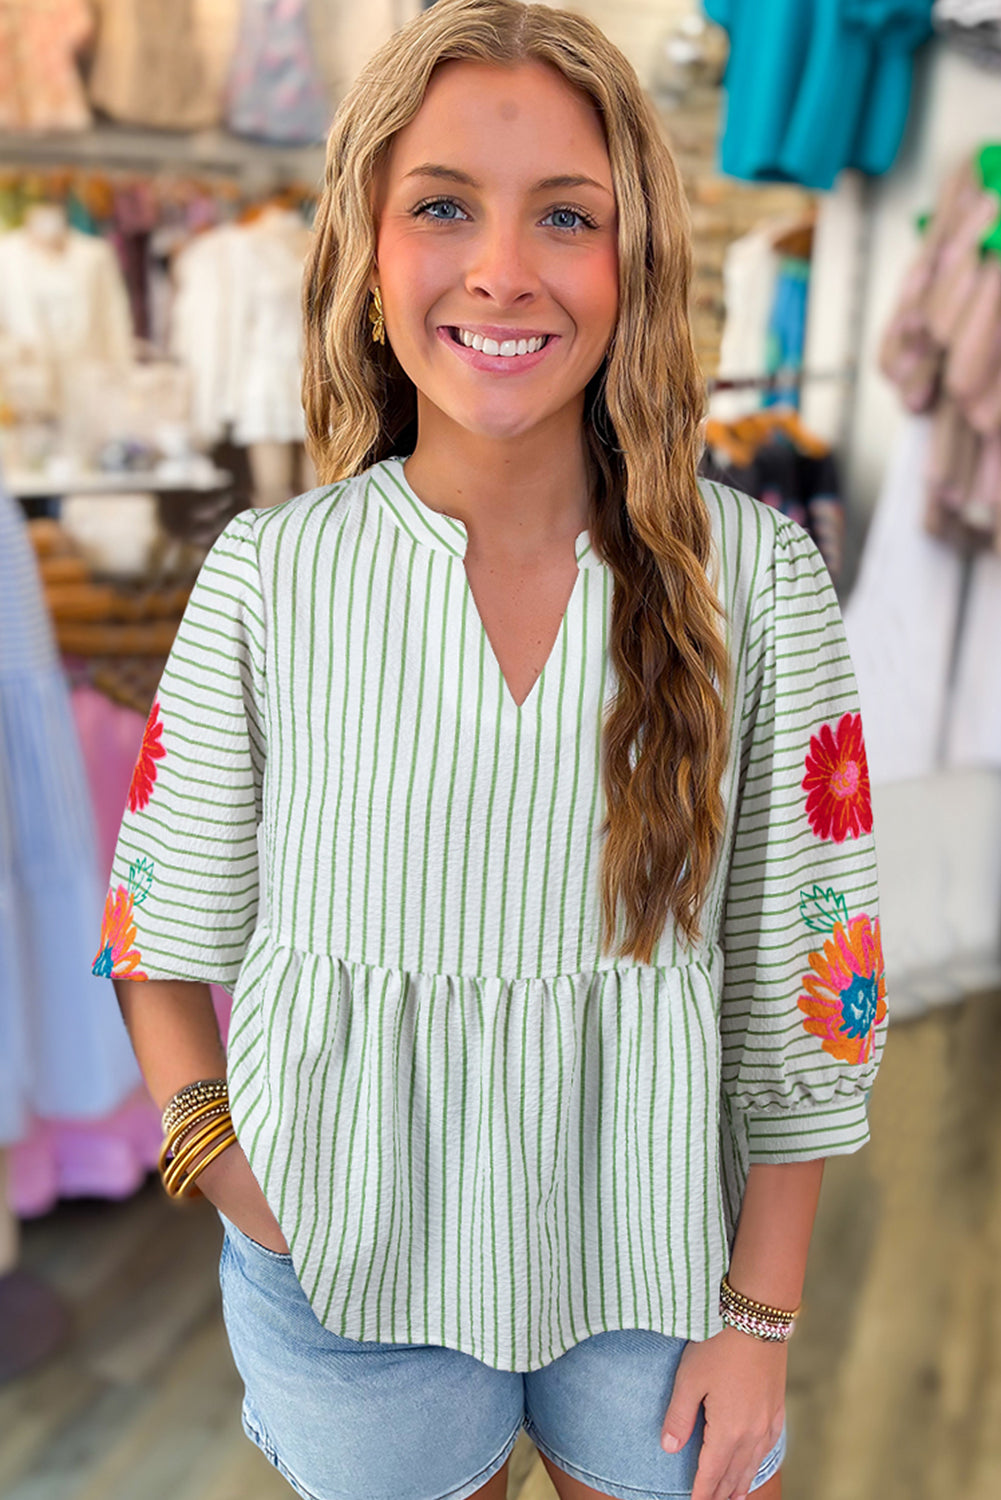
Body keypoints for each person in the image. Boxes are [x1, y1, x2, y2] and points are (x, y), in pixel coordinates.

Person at [97, 3, 886, 1498]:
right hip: (337, 1260)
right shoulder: (270, 575)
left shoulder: (758, 582)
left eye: (565, 216)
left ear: (635, 255)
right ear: (367, 246)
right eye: (443, 204)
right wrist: (229, 1166)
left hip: (664, 1255)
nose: (502, 268)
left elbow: (814, 978)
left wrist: (762, 1311)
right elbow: (156, 924)